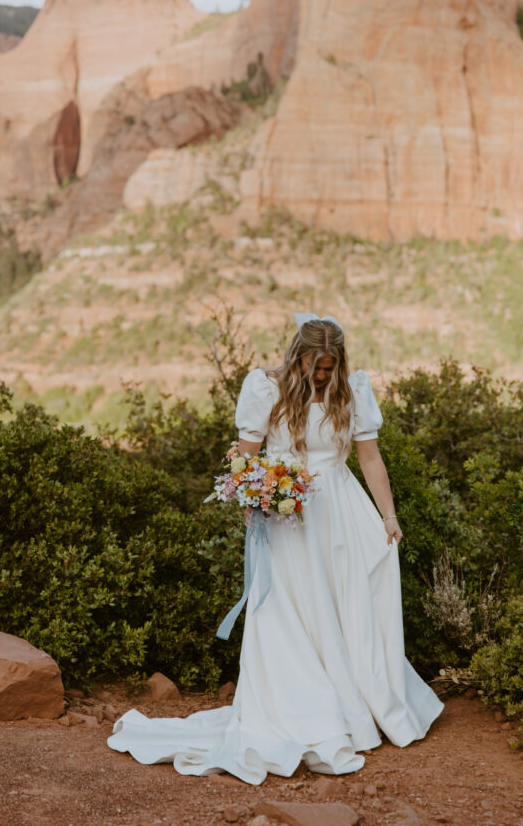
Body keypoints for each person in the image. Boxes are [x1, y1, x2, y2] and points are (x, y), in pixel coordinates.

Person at [107, 313, 444, 784]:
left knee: (349, 606)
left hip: (343, 513)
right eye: (315, 366)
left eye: (330, 367)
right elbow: (246, 453)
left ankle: (360, 704)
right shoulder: (267, 388)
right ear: (297, 356)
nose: (322, 375)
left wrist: (389, 515)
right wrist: (254, 494)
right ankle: (311, 709)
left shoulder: (353, 392)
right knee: (292, 610)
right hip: (291, 517)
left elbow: (370, 457)